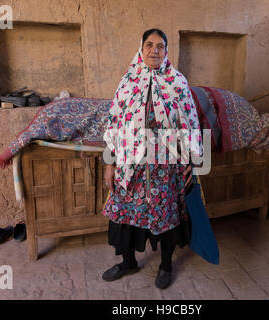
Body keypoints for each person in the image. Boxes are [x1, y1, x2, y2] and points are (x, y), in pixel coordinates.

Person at [101, 28, 202, 289]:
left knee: (165, 215)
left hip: (165, 165)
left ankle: (166, 265)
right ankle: (128, 262)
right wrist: (109, 163)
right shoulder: (127, 82)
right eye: (149, 45)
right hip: (129, 164)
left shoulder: (177, 82)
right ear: (141, 48)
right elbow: (114, 121)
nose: (154, 50)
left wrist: (191, 162)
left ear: (166, 52)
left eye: (160, 46)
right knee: (124, 215)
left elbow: (190, 123)